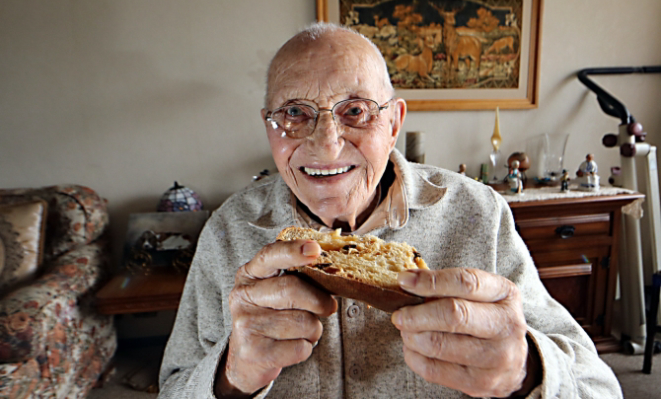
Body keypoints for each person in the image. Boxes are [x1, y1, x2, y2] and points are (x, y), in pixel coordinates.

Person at [158, 23, 622, 398]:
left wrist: (525, 373)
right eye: (295, 114)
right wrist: (229, 378)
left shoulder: (480, 214)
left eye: (355, 111)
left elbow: (599, 389)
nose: (325, 144)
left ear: (395, 122)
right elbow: (174, 386)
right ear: (269, 127)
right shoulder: (227, 230)